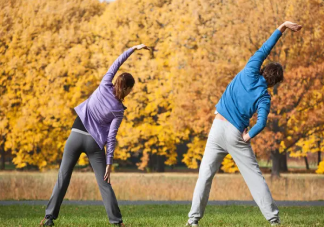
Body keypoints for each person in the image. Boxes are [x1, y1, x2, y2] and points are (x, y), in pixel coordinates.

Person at [186, 21, 302, 227]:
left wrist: (282, 26)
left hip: (217, 128)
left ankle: (193, 220)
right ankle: (274, 220)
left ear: (263, 69)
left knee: (204, 176)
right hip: (235, 134)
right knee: (254, 177)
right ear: (274, 82)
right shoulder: (264, 97)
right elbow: (261, 123)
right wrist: (248, 137)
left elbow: (266, 47)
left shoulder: (250, 69)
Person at [40, 44, 149, 226]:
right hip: (94, 142)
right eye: (131, 89)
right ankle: (117, 222)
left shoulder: (105, 83)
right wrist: (109, 163)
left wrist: (133, 48)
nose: (131, 92)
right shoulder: (118, 110)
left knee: (63, 176)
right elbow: (111, 138)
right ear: (127, 89)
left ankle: (49, 218)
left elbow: (117, 62)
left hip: (75, 134)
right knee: (104, 183)